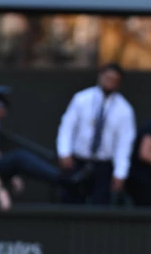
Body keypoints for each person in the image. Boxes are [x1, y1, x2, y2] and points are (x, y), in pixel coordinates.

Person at [55, 64, 136, 205]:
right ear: (100, 76)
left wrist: (120, 172)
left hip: (103, 165)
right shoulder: (81, 99)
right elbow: (67, 127)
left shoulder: (124, 109)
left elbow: (124, 144)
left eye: (114, 79)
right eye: (108, 77)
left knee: (100, 205)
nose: (110, 82)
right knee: (71, 201)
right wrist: (64, 152)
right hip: (77, 161)